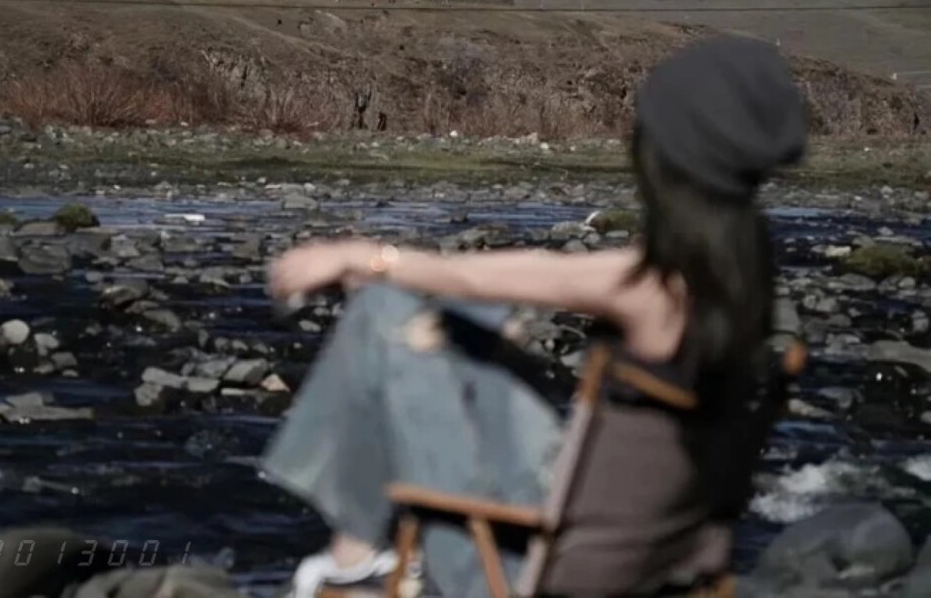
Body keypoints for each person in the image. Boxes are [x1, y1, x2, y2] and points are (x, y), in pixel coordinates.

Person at [261, 34, 807, 598]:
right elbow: (511, 281)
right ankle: (356, 549)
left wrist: (364, 256)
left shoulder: (654, 288)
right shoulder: (743, 274)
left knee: (384, 310)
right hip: (653, 549)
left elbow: (520, 273)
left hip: (554, 566)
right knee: (462, 318)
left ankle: (356, 551)